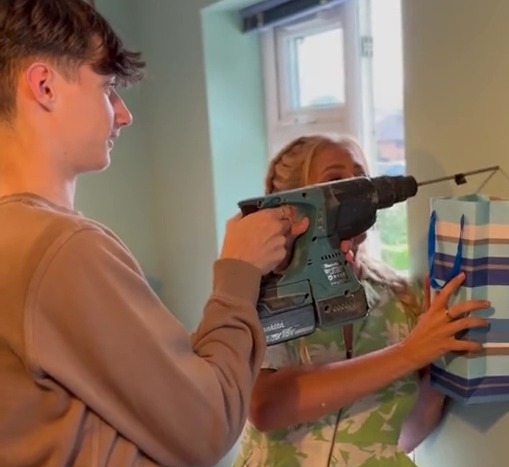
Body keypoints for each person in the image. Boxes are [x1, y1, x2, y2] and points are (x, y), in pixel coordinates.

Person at [0, 1, 308, 466]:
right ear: (45, 86)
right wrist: (238, 276)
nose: (123, 115)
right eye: (107, 89)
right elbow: (206, 426)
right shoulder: (62, 248)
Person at [233, 134, 491, 466]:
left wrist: (440, 363)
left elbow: (402, 435)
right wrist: (408, 353)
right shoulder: (262, 288)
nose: (358, 189)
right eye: (336, 179)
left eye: (361, 175)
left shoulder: (404, 298)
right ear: (293, 203)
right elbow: (265, 406)